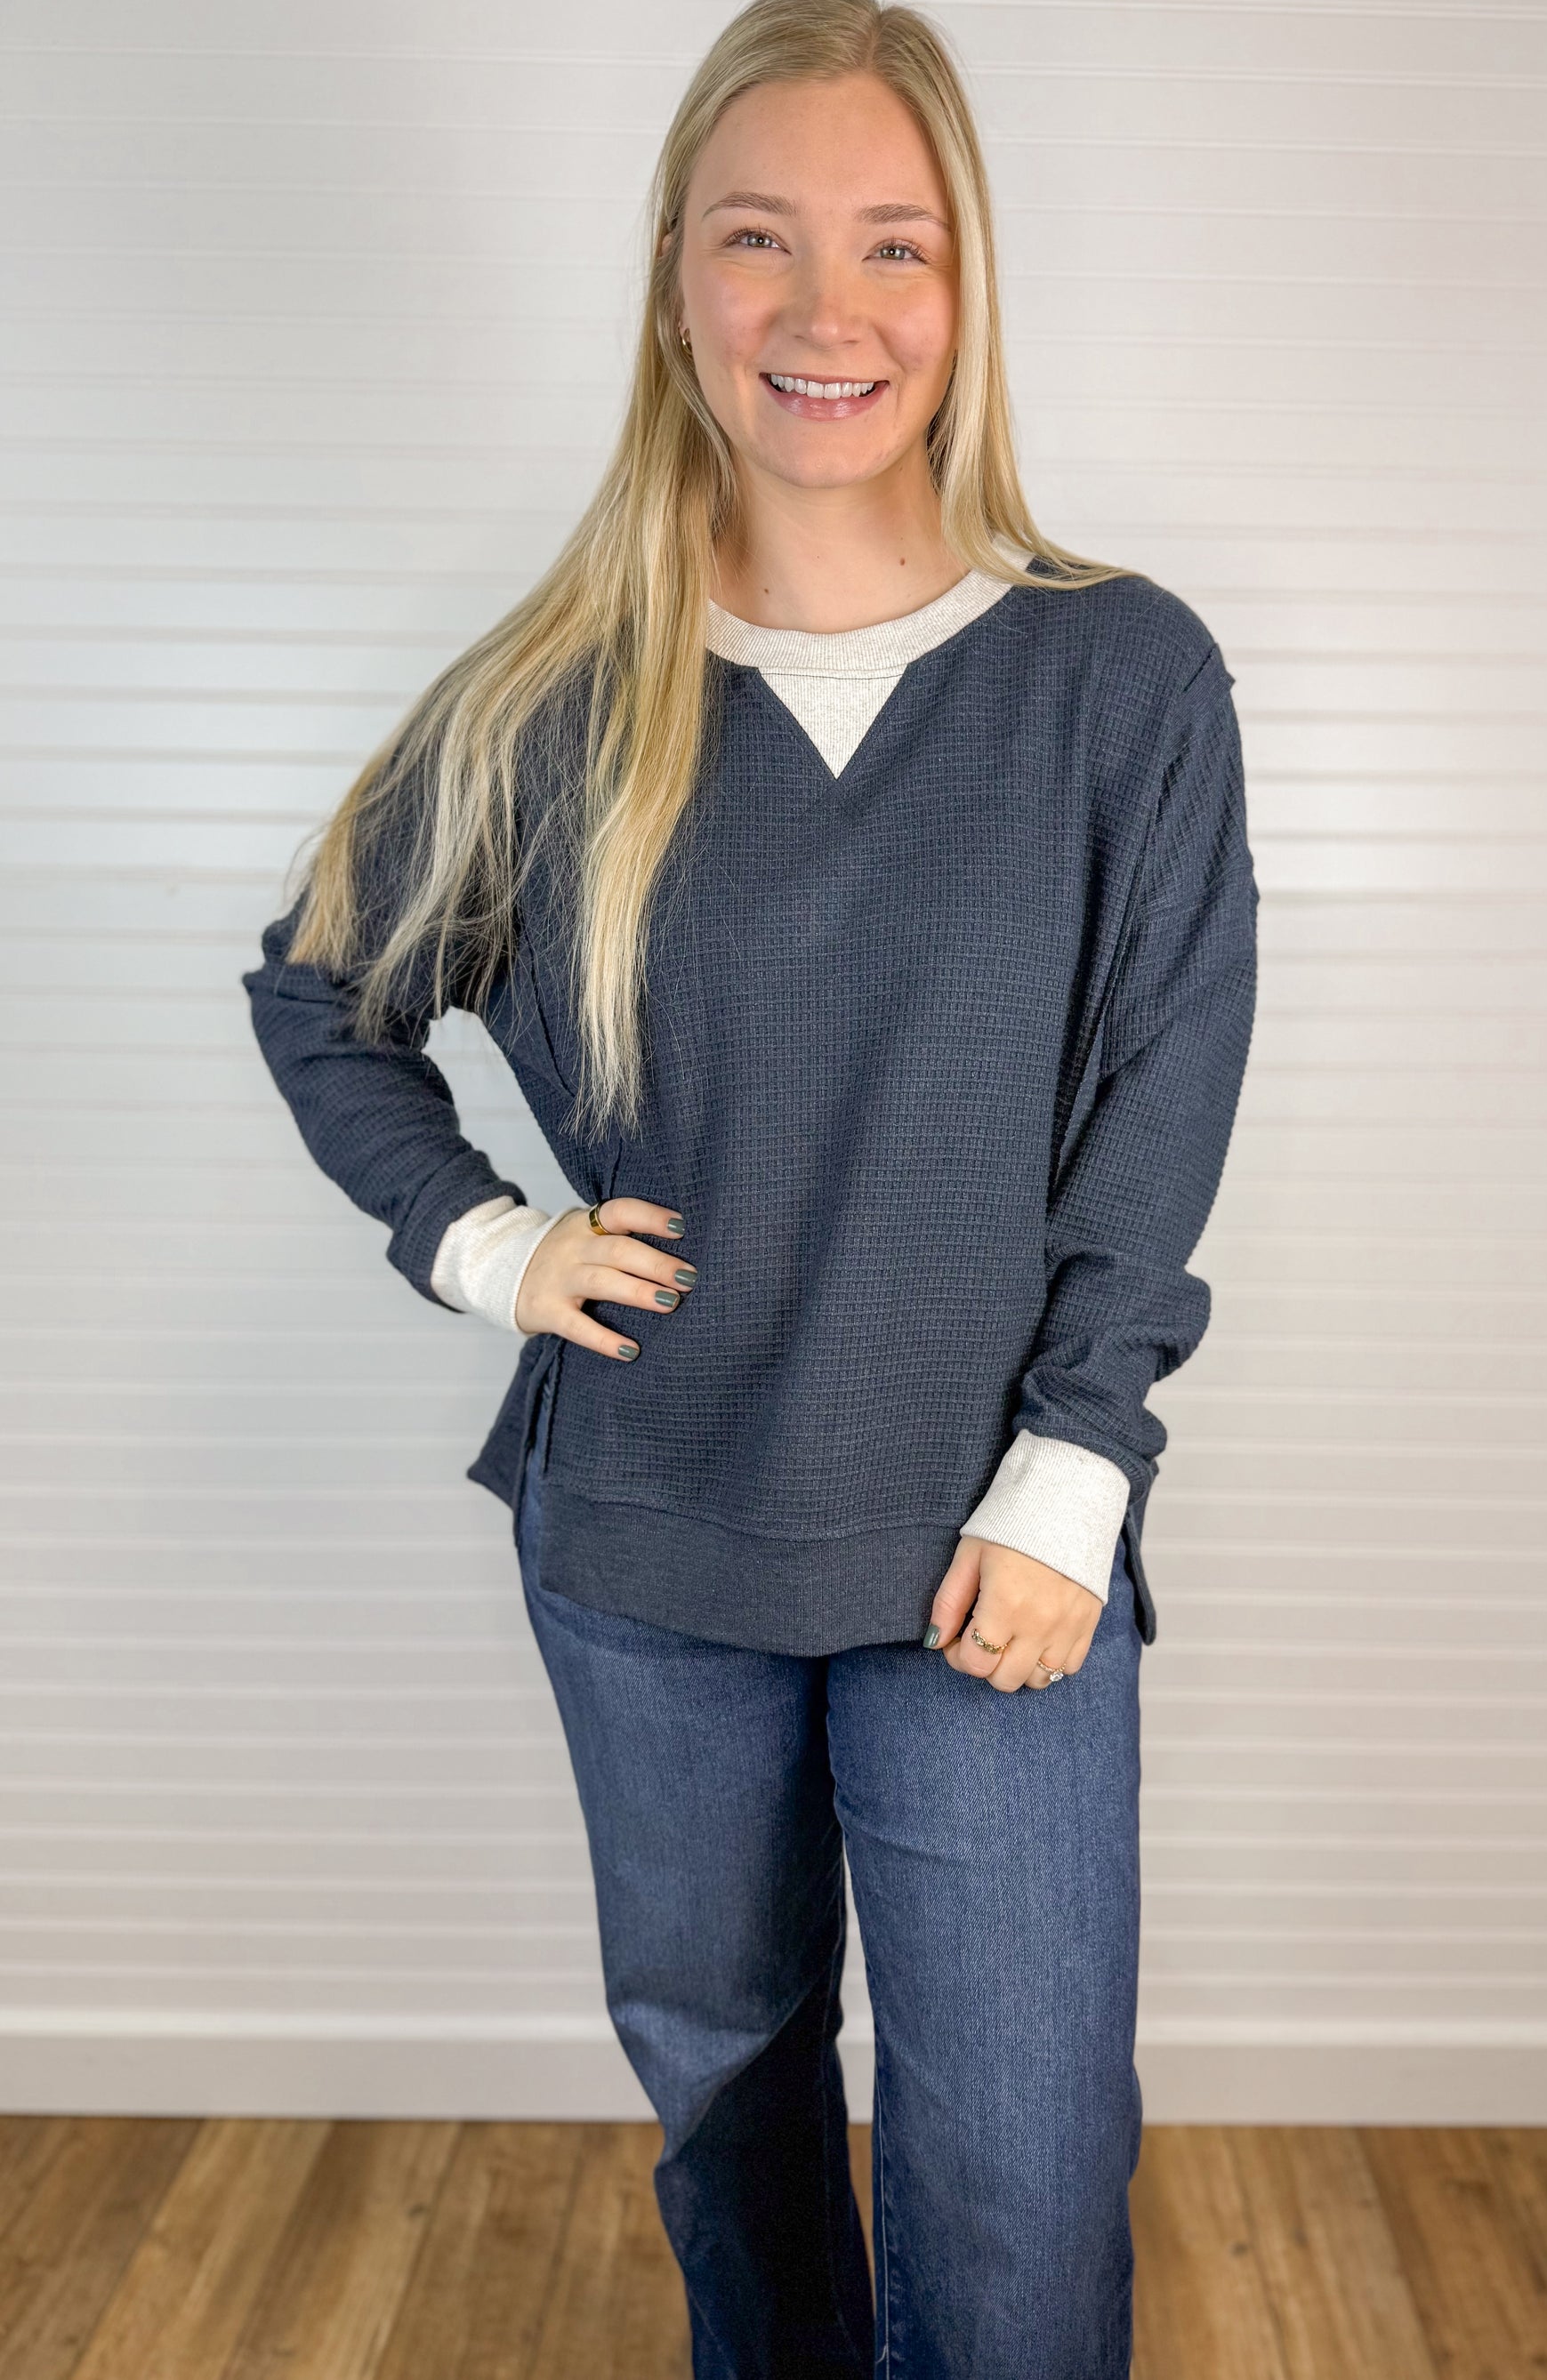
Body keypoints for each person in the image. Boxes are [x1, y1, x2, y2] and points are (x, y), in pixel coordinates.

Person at [243, 3, 1259, 2371]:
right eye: (758, 239)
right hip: (650, 1535)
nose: (827, 308)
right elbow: (323, 992)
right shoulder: (548, 703)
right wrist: (489, 1242)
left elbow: (1164, 1087)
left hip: (993, 1544)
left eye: (894, 244)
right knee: (726, 2087)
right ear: (673, 286)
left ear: (965, 287)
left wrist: (1078, 1468)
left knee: (1017, 2170)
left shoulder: (1116, 679)